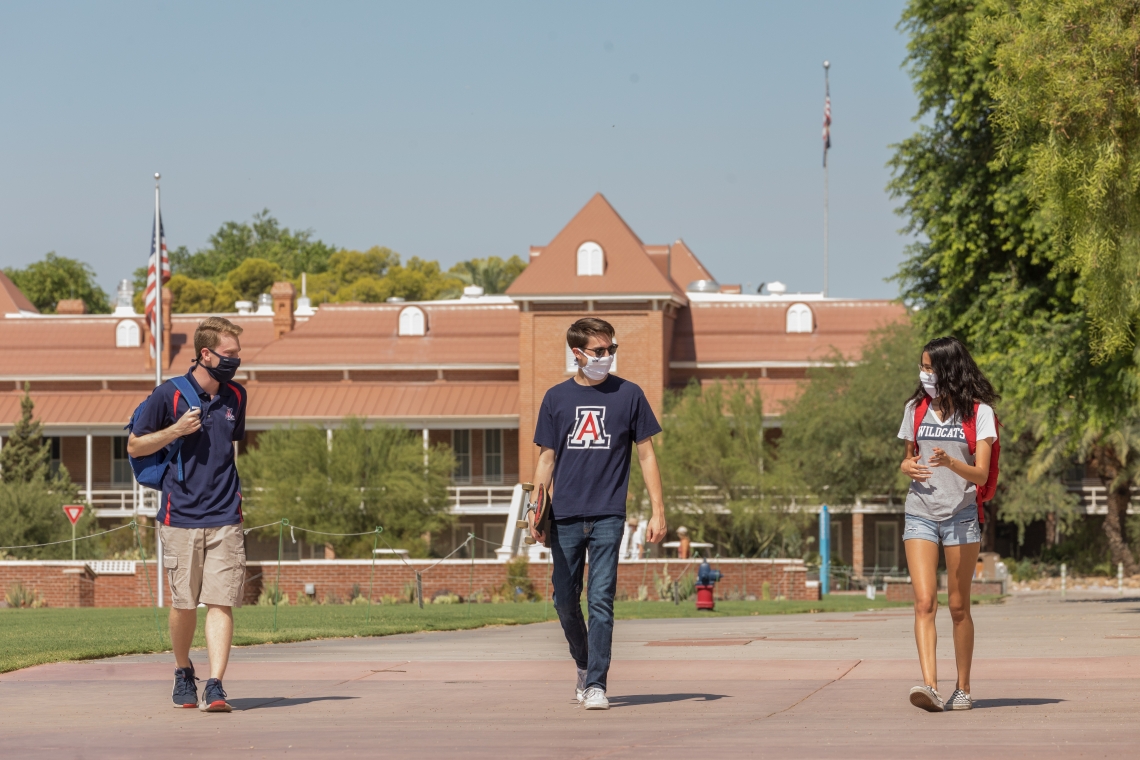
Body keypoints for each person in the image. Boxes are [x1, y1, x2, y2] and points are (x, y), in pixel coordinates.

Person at [529, 317, 667, 710]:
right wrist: (534, 514)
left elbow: (646, 454)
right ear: (578, 354)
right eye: (599, 351)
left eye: (612, 350)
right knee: (564, 600)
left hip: (609, 514)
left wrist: (659, 510)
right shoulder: (556, 398)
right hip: (565, 517)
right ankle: (584, 663)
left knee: (601, 599)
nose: (607, 357)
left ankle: (596, 685)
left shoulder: (630, 395)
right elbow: (546, 460)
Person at [127, 317, 247, 713]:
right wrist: (175, 430)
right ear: (206, 353)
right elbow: (135, 446)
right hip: (180, 517)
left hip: (226, 515)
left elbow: (228, 449)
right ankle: (183, 670)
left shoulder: (237, 397)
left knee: (220, 601)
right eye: (229, 355)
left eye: (237, 354)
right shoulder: (169, 395)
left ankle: (215, 685)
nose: (235, 361)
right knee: (184, 603)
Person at [897, 336, 998, 712]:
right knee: (924, 602)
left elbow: (982, 472)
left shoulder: (979, 413)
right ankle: (930, 686)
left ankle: (964, 688)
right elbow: (907, 460)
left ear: (949, 369)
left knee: (958, 606)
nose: (924, 374)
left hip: (962, 513)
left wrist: (950, 462)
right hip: (920, 510)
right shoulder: (915, 408)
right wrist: (908, 466)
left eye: (929, 367)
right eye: (922, 366)